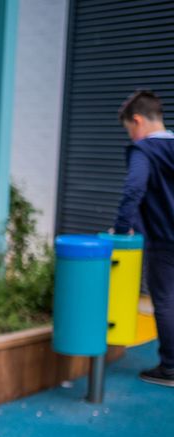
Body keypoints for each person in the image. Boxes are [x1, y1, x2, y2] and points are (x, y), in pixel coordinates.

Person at [113, 89, 174, 386]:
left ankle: (170, 367)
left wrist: (123, 228)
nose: (131, 137)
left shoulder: (145, 151)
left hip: (165, 240)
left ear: (137, 120)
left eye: (129, 130)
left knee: (164, 301)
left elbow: (134, 189)